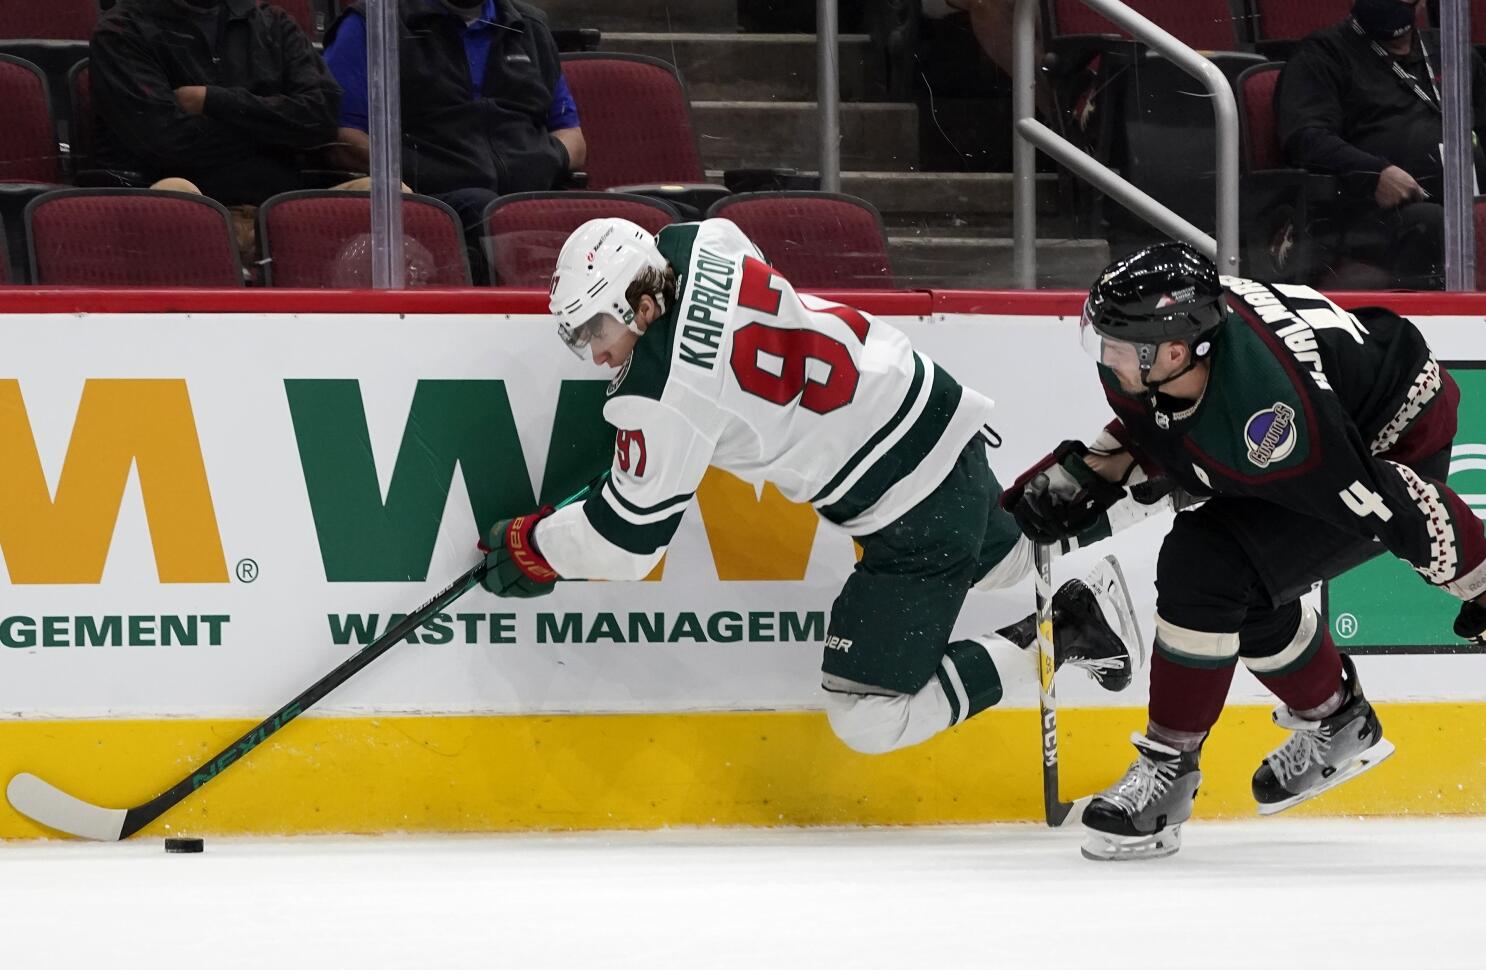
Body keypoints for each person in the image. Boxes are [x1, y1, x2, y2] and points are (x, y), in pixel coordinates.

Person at [476, 215, 1147, 757]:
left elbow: (625, 543)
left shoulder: (662, 397)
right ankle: (1162, 483)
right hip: (928, 409)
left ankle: (1066, 631)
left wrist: (538, 543)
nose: (596, 353)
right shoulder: (705, 239)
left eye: (599, 330)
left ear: (644, 302)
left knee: (867, 716)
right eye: (581, 337)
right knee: (1007, 558)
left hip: (907, 506)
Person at [1005, 241, 1486, 861]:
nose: (1104, 355)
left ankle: (1169, 773)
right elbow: (1168, 424)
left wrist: (1478, 578)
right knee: (1245, 589)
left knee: (1207, 564)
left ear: (1173, 351)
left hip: (1388, 439)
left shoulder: (1276, 419)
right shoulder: (1171, 354)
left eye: (1117, 344)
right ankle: (1336, 721)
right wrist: (1093, 468)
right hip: (1340, 394)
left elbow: (1385, 500)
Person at [322, 0, 584, 237]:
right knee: (485, 210)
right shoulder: (372, 23)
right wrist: (407, 173)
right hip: (432, 199)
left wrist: (545, 159)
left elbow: (573, 137)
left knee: (605, 223)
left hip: (529, 194)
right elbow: (344, 137)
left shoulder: (530, 27)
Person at [1276, 0, 1486, 289]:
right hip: (1369, 213)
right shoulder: (1323, 53)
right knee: (1432, 223)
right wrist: (1374, 173)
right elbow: (1305, 137)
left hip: (1464, 201)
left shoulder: (1452, 52)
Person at [90, 0, 342, 208]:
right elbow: (169, 141)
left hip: (283, 206)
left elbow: (323, 114)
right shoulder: (121, 32)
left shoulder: (274, 23)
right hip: (183, 205)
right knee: (176, 191)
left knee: (372, 191)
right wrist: (281, 129)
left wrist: (213, 101)